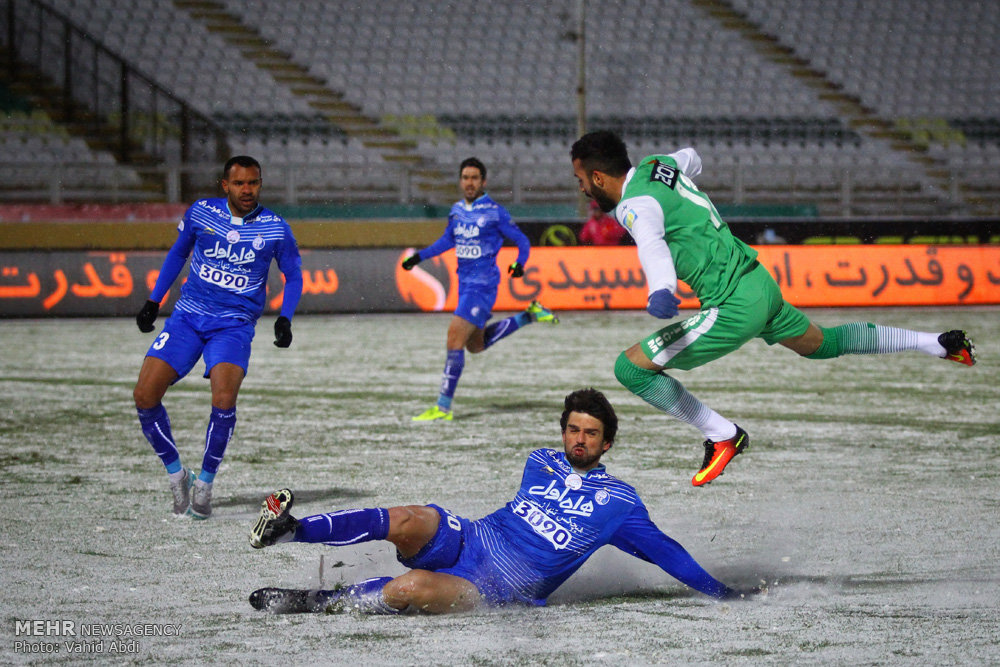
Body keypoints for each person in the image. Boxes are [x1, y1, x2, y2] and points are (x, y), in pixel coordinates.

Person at [569, 131, 977, 487]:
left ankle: (723, 435)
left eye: (582, 180)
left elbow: (653, 246)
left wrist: (660, 290)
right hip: (759, 283)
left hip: (732, 304)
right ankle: (938, 343)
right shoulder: (658, 165)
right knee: (823, 343)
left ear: (599, 176)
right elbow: (691, 156)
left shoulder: (632, 205)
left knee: (631, 368)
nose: (583, 189)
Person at [248, 388, 753, 614]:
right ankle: (292, 529)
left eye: (591, 434)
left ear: (607, 443)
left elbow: (663, 552)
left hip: (496, 588)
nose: (579, 439)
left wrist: (722, 594)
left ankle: (312, 602)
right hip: (472, 537)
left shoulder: (618, 502)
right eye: (573, 429)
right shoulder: (540, 460)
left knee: (412, 587)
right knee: (408, 517)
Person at [133, 155, 303, 519]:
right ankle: (177, 474)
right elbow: (178, 253)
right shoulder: (201, 212)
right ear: (224, 185)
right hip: (187, 320)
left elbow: (295, 275)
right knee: (145, 396)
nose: (247, 190)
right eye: (240, 183)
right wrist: (153, 300)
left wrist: (285, 319)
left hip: (234, 325)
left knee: (224, 400)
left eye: (254, 183)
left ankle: (206, 485)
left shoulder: (275, 228)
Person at [401, 157, 559, 421]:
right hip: (464, 286)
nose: (469, 182)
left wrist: (520, 264)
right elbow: (447, 241)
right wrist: (420, 257)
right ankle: (529, 315)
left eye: (474, 178)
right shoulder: (456, 210)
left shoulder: (495, 212)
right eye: (465, 177)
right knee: (475, 345)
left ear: (483, 181)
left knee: (454, 339)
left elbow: (522, 241)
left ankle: (442, 408)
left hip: (482, 286)